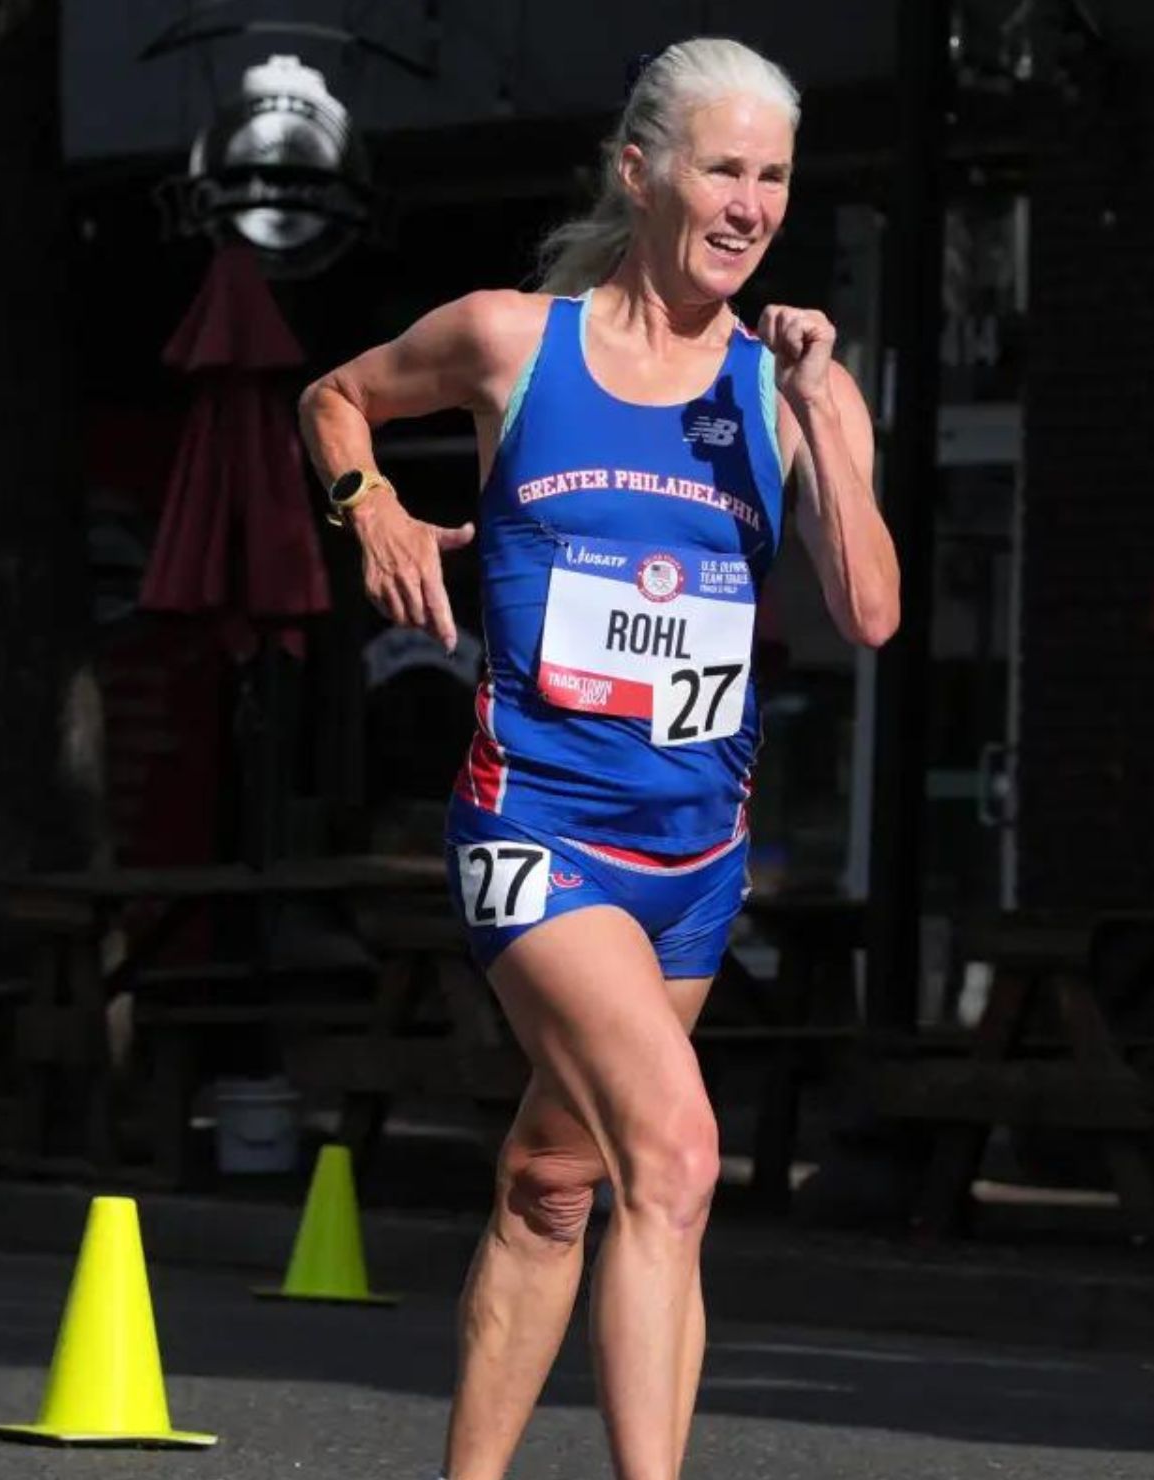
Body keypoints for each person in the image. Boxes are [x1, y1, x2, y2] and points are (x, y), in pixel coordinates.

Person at [298, 37, 897, 1480]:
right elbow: (334, 397)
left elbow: (872, 609)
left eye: (774, 177)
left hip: (694, 861)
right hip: (537, 834)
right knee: (678, 1157)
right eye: (723, 170)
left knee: (557, 1182)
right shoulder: (514, 341)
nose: (751, 206)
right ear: (640, 173)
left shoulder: (786, 387)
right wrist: (368, 506)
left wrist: (821, 409)